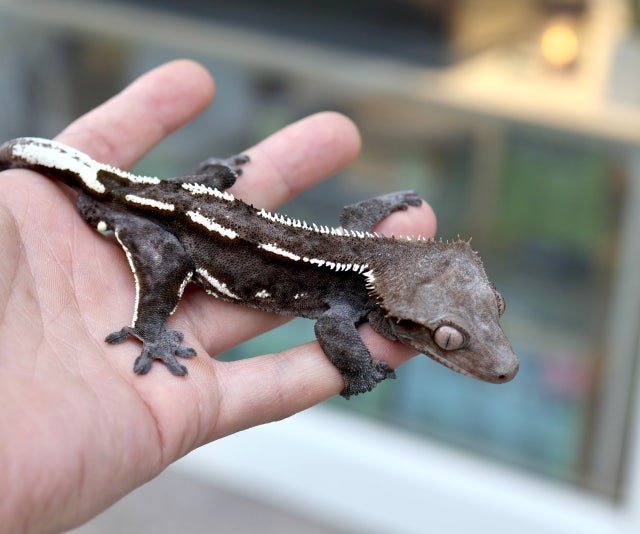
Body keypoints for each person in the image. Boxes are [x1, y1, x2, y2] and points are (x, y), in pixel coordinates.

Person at [0, 60, 436, 532]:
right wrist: (360, 372)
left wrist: (384, 206)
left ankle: (209, 178)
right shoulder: (354, 288)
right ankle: (148, 326)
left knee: (199, 209)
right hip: (150, 213)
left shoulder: (363, 263)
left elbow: (354, 224)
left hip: (179, 201)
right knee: (171, 263)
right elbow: (335, 319)